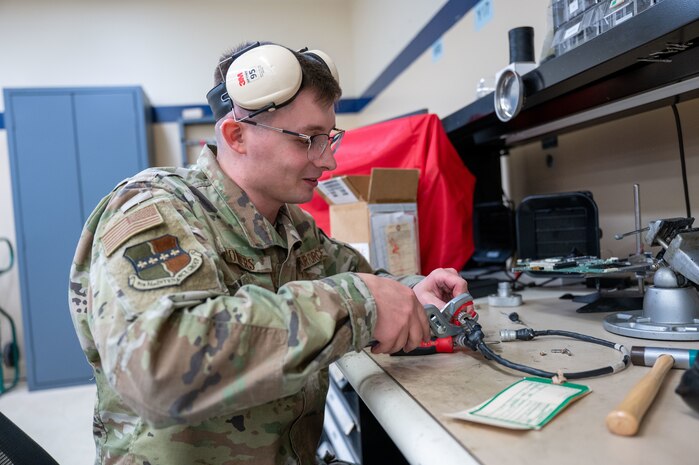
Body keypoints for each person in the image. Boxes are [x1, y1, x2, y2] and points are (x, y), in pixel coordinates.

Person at [69, 40, 469, 465]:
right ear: (236, 135)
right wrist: (362, 304)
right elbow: (159, 366)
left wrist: (412, 291)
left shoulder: (292, 225)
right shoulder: (156, 208)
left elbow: (360, 275)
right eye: (308, 140)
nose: (329, 160)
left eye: (329, 138)